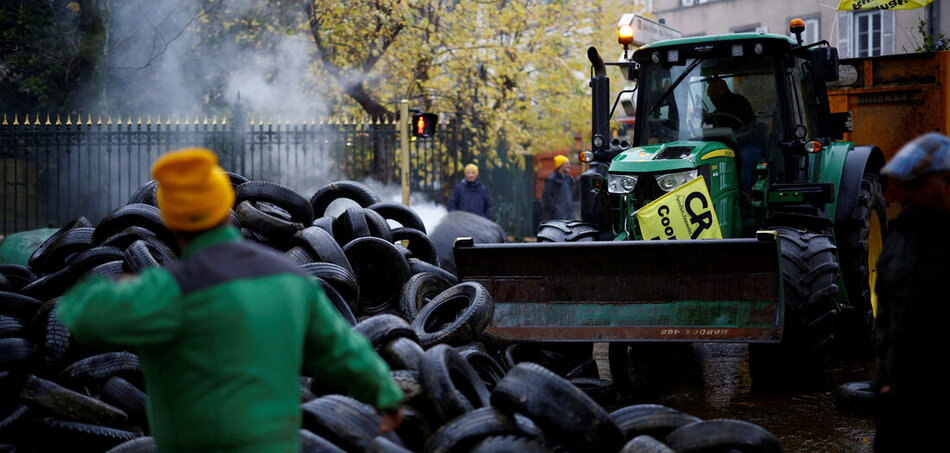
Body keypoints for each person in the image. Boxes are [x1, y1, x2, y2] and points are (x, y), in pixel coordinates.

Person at [56, 148, 404, 452]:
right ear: (228, 208)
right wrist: (385, 394)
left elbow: (78, 315)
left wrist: (123, 284)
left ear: (172, 224)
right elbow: (342, 350)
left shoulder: (166, 293)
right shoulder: (291, 280)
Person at [872, 132, 950, 452]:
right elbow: (887, 320)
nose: (902, 194)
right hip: (901, 403)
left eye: (914, 184)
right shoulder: (900, 239)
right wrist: (885, 384)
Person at [541, 155, 576, 221]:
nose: (569, 165)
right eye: (566, 164)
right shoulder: (552, 179)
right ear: (560, 165)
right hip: (556, 216)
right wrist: (555, 208)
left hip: (569, 215)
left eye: (569, 163)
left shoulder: (569, 179)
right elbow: (546, 196)